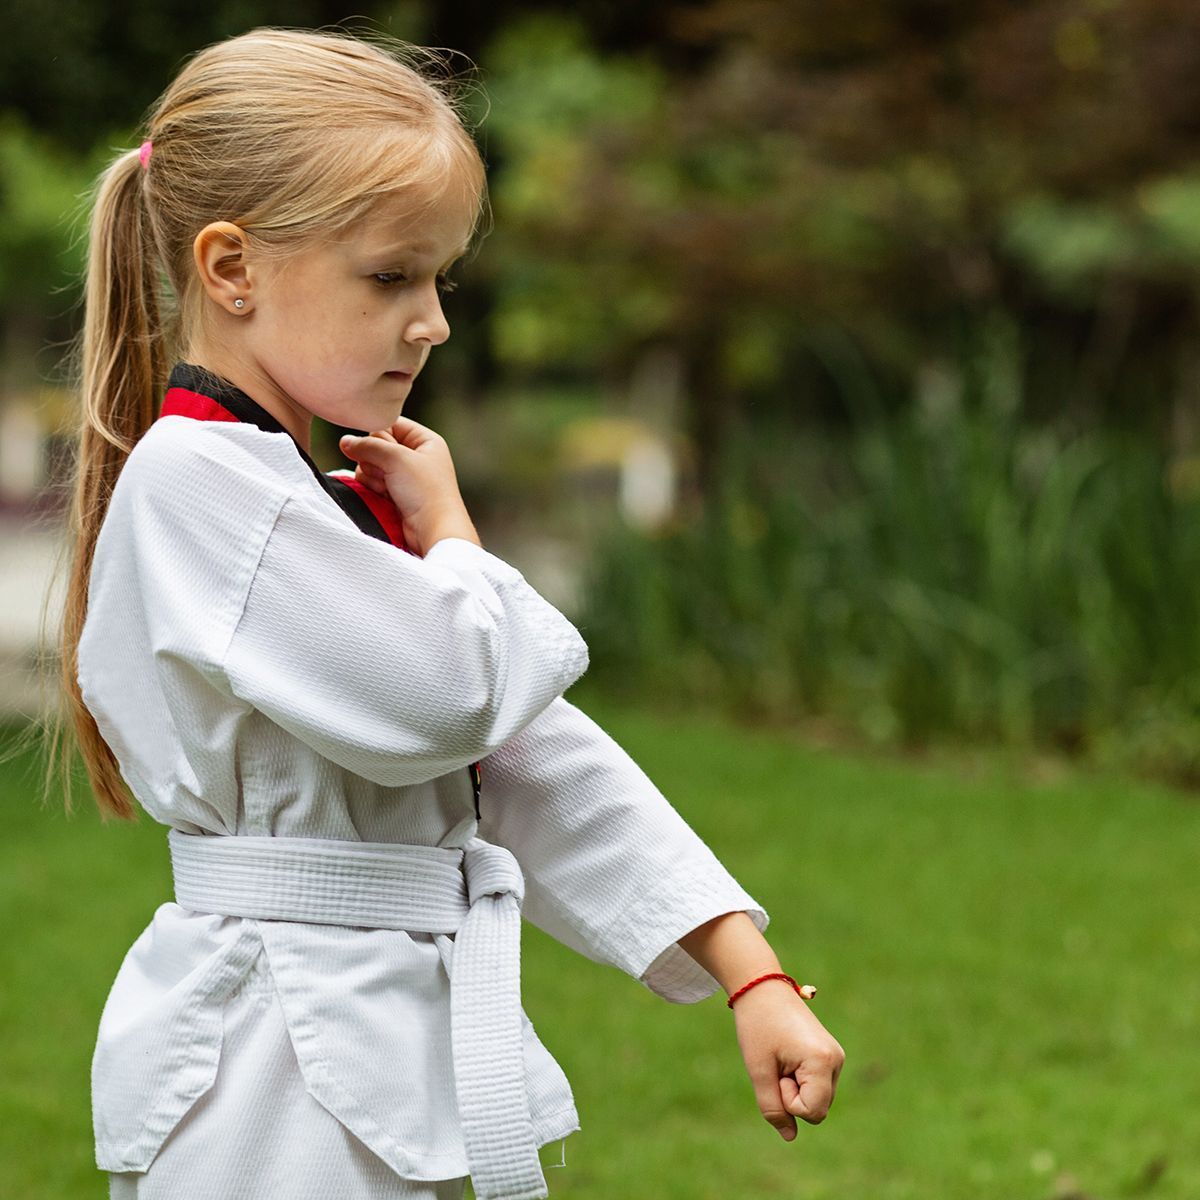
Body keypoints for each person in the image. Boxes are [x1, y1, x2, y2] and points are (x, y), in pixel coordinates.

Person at [58, 25, 844, 1200]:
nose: (429, 320)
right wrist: (461, 549)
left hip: (352, 1041)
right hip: (271, 1080)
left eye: (439, 279)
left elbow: (524, 756)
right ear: (232, 269)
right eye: (390, 276)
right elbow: (456, 696)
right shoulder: (198, 487)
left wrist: (747, 968)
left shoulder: (308, 507)